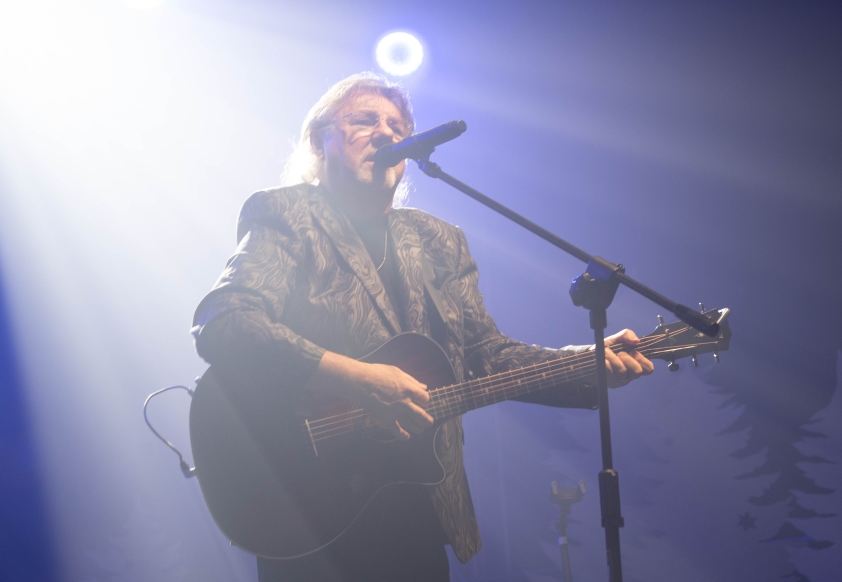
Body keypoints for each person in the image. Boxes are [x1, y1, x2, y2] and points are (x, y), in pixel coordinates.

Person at [191, 72, 654, 582]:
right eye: (364, 120)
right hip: (304, 501)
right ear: (319, 143)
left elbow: (487, 354)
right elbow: (225, 320)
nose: (386, 133)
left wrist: (584, 363)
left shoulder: (439, 241)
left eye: (398, 126)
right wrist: (358, 380)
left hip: (418, 505)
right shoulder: (287, 215)